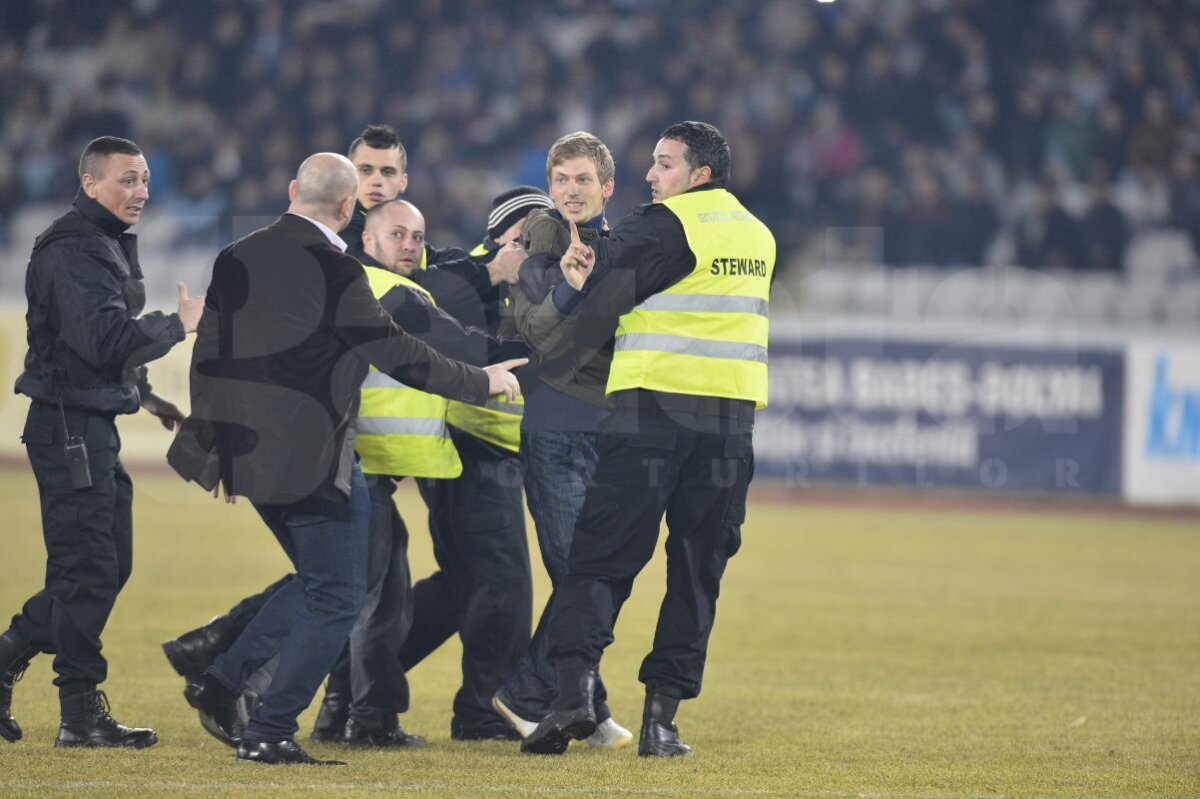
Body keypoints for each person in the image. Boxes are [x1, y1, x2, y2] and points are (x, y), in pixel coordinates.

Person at [167, 153, 524, 766]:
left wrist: (217, 445)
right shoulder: (337, 270)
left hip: (248, 454)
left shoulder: (237, 255)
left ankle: (222, 682)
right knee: (338, 594)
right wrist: (480, 380)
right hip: (312, 455)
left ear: (290, 192)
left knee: (320, 582)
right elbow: (398, 353)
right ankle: (270, 728)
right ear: (347, 207)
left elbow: (211, 355)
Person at [520, 122, 775, 757]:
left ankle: (572, 695)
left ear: (699, 175)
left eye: (664, 165)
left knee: (601, 556)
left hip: (653, 413)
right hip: (729, 427)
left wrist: (565, 271)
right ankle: (662, 721)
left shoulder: (665, 224)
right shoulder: (759, 234)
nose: (652, 177)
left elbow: (598, 293)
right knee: (698, 571)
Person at [0, 136, 204, 748]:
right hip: (69, 432)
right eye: (126, 180)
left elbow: (86, 350)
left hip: (85, 428)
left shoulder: (98, 244)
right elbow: (105, 342)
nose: (141, 191)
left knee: (102, 568)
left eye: (144, 179)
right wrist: (179, 325)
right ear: (90, 183)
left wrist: (149, 398)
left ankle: (10, 660)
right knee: (88, 572)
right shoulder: (75, 250)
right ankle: (80, 714)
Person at [319, 197, 530, 748]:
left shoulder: (400, 285)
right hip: (364, 461)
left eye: (417, 236)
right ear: (366, 240)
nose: (411, 245)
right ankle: (239, 681)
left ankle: (361, 713)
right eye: (397, 234)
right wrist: (529, 363)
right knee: (359, 594)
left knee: (377, 592)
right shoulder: (391, 291)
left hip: (382, 463)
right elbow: (452, 342)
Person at [490, 132, 632, 749]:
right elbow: (541, 340)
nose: (570, 191)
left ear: (607, 188)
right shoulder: (537, 251)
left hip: (611, 428)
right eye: (560, 180)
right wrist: (570, 288)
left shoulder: (627, 246)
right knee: (580, 573)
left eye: (581, 180)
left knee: (598, 572)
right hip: (555, 427)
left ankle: (585, 702)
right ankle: (527, 693)